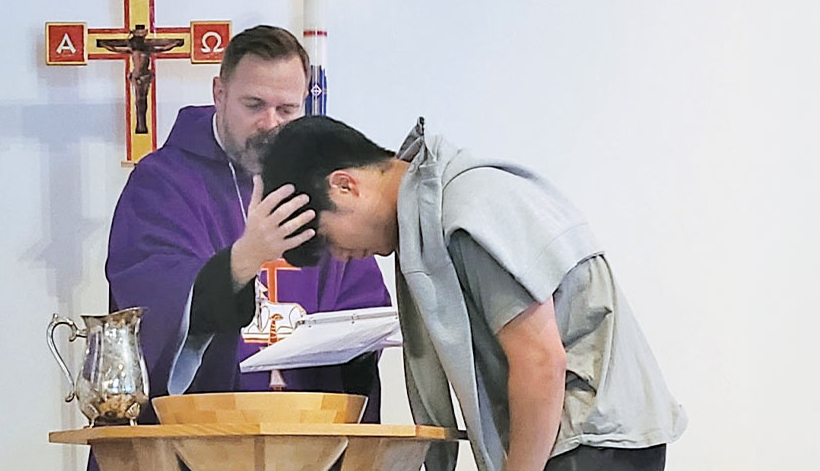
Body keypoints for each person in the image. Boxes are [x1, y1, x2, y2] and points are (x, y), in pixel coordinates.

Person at [259, 116, 688, 471]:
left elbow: (541, 362)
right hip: (589, 438)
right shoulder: (439, 205)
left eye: (328, 239)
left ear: (345, 185)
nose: (342, 257)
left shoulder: (463, 211)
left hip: (590, 441)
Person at [103, 26, 391, 429]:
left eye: (286, 109)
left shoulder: (322, 184)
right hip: (199, 438)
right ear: (219, 93)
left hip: (305, 436)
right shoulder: (163, 183)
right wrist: (243, 259)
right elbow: (150, 305)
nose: (269, 123)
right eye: (254, 104)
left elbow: (361, 303)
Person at [97, 24, 185, 134]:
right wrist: (103, 44)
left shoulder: (148, 48)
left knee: (143, 100)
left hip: (145, 77)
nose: (140, 38)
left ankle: (142, 124)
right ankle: (140, 125)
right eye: (138, 36)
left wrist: (175, 43)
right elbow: (115, 48)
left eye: (141, 36)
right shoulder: (131, 49)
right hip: (137, 77)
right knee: (139, 100)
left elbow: (163, 48)